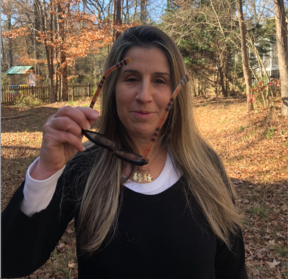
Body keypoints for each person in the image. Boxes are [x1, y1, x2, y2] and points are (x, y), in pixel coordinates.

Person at [2, 25, 248, 279]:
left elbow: (232, 269)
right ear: (112, 88)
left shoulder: (205, 167)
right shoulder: (83, 167)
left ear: (177, 92)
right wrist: (45, 171)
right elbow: (10, 261)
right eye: (131, 78)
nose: (144, 95)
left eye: (160, 81)